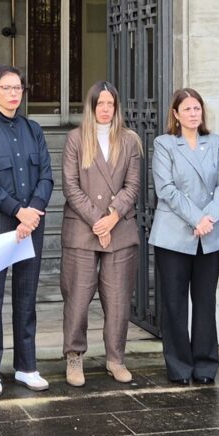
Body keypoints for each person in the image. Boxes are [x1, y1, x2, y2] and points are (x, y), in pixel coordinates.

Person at [0, 64, 55, 395]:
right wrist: (18, 211)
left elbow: (46, 176)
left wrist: (32, 212)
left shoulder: (34, 130)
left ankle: (26, 366)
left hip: (32, 222)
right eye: (6, 88)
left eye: (18, 87)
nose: (13, 93)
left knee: (26, 295)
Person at [60, 81, 144, 386]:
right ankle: (74, 356)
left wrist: (111, 218)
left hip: (119, 228)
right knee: (78, 296)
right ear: (91, 106)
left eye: (111, 104)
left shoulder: (130, 141)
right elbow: (70, 186)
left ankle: (115, 358)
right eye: (100, 104)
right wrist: (99, 221)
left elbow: (133, 186)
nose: (106, 109)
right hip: (82, 228)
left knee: (118, 298)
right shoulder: (76, 138)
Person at [152, 88, 219, 385]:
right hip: (174, 234)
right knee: (174, 303)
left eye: (197, 108)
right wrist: (196, 218)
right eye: (186, 108)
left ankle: (205, 365)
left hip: (210, 233)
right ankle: (179, 367)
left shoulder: (215, 142)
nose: (193, 113)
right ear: (175, 114)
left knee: (205, 301)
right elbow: (166, 189)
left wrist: (208, 218)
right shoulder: (164, 144)